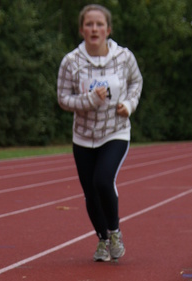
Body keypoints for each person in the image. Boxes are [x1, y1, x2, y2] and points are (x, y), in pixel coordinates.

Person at [57, 4, 143, 261]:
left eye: (99, 24)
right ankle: (103, 240)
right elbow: (63, 99)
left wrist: (129, 104)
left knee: (103, 180)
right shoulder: (71, 62)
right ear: (82, 29)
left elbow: (136, 82)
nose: (94, 29)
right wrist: (90, 100)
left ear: (108, 29)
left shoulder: (124, 57)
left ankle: (115, 232)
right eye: (89, 24)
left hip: (115, 131)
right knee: (90, 192)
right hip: (83, 136)